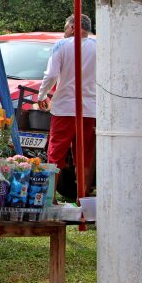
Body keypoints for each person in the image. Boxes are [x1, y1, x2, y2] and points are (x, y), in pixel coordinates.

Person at [38, 14, 96, 196]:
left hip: (64, 108)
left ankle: (50, 198)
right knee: (85, 156)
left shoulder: (61, 45)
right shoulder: (99, 46)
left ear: (73, 27)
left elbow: (51, 74)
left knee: (55, 154)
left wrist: (42, 95)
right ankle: (83, 199)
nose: (64, 31)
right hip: (90, 109)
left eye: (65, 27)